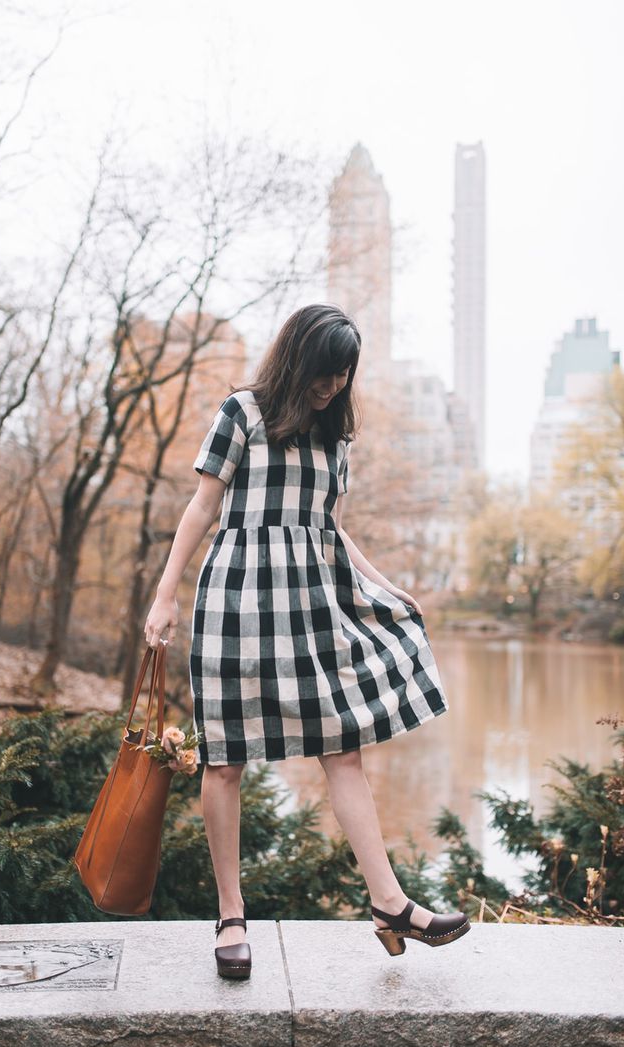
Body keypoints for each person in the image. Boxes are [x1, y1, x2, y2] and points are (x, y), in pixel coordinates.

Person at [144, 303, 470, 978]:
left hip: (312, 602)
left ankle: (389, 902)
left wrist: (389, 586)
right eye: (323, 372)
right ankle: (232, 916)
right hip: (234, 598)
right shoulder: (241, 413)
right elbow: (202, 506)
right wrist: (165, 593)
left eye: (342, 375)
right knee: (225, 761)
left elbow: (332, 530)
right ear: (298, 360)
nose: (330, 386)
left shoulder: (336, 439)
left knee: (343, 752)